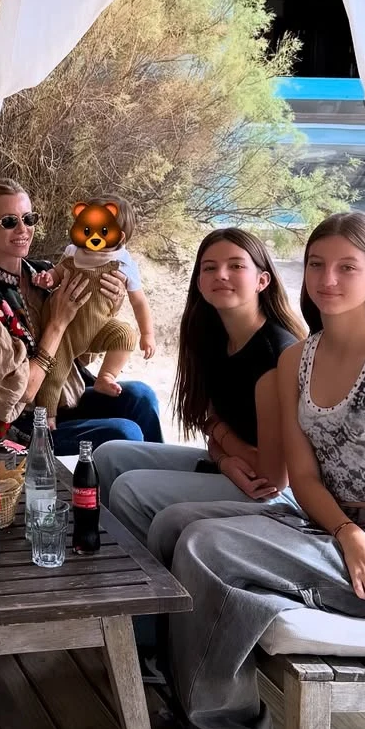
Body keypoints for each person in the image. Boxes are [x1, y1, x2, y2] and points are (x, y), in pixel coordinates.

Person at [160, 212, 365, 729]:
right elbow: (301, 479)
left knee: (207, 545)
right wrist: (347, 532)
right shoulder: (296, 360)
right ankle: (172, 689)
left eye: (346, 267)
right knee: (174, 527)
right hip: (329, 531)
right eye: (315, 265)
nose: (327, 280)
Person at [94, 228, 305, 547]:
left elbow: (273, 477)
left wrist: (222, 440)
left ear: (262, 280)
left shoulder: (273, 356)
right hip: (236, 469)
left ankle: (149, 587)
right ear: (199, 281)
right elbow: (211, 424)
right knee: (108, 455)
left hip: (272, 495)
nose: (221, 274)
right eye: (209, 267)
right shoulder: (212, 336)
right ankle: (110, 556)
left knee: (131, 490)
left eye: (236, 266)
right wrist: (225, 459)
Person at [0, 179, 163, 454]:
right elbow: (14, 399)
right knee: (124, 432)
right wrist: (58, 323)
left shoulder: (44, 275)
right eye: (8, 222)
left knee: (141, 397)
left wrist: (110, 304)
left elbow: (81, 354)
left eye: (28, 219)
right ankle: (129, 493)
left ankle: (159, 481)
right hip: (15, 429)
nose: (23, 229)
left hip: (62, 399)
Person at [31, 196, 156, 410]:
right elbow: (58, 272)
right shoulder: (74, 252)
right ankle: (48, 416)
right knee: (54, 374)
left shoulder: (124, 264)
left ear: (120, 236)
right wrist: (48, 279)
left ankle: (106, 376)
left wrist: (147, 334)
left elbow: (139, 302)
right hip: (66, 333)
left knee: (126, 335)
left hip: (98, 329)